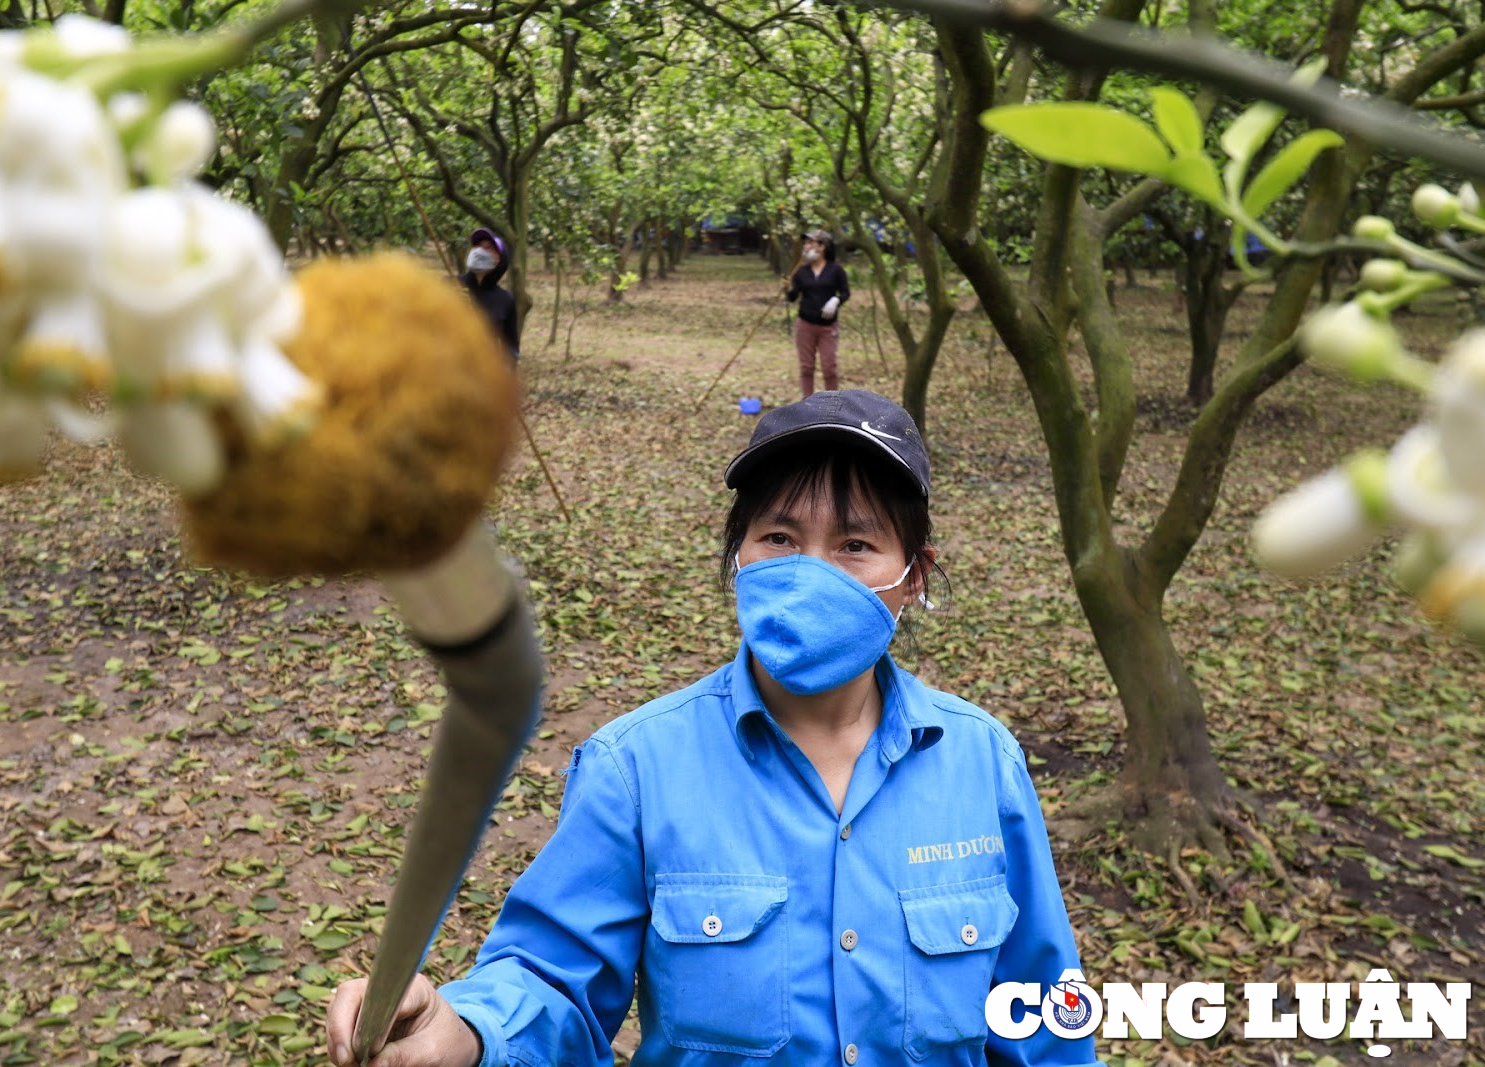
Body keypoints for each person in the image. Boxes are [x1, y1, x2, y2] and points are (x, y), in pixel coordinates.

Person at [326, 390, 1100, 1067]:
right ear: (739, 556)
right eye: (780, 538)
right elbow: (552, 978)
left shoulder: (981, 761)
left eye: (856, 544)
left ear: (914, 575)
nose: (811, 570)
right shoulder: (637, 767)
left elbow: (1044, 1017)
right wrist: (465, 1027)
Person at [786, 229, 849, 397]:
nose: (806, 247)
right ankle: (808, 403)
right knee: (806, 367)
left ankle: (832, 404)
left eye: (809, 243)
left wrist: (836, 301)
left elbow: (845, 293)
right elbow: (792, 297)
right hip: (805, 325)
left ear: (822, 247)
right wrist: (788, 288)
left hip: (828, 327)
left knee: (829, 367)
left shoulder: (836, 270)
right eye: (805, 243)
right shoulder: (801, 271)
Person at [461, 227, 519, 362]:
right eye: (477, 246)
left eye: (488, 248)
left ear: (498, 259)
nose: (479, 251)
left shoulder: (504, 300)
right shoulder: (451, 285)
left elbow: (511, 347)